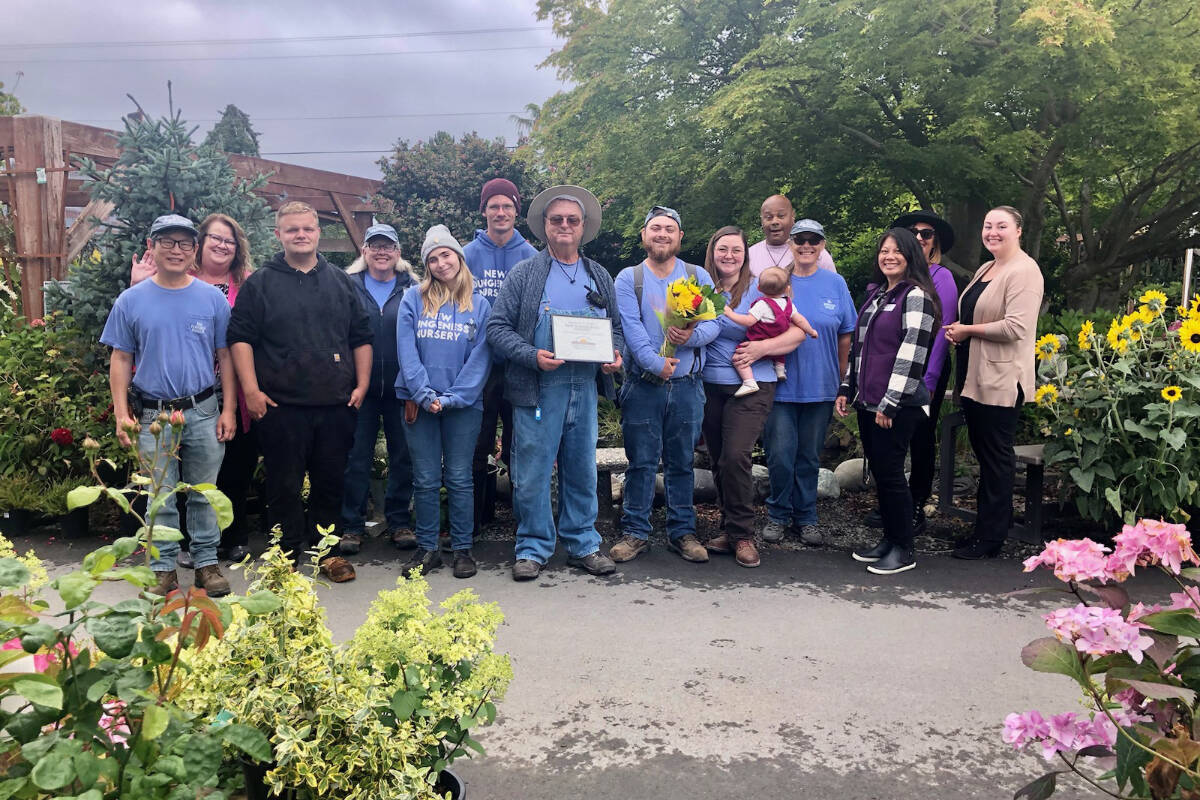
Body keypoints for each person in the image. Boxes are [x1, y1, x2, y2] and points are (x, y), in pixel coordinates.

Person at [227, 201, 372, 583]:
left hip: (336, 404)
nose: (301, 235)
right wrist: (251, 390)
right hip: (281, 406)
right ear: (279, 234)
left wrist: (362, 384)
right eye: (292, 229)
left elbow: (361, 336)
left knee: (330, 482)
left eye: (308, 228)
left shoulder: (340, 282)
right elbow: (240, 339)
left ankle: (329, 553)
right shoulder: (260, 284)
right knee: (283, 485)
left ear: (318, 232)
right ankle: (286, 556)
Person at [486, 185, 624, 581]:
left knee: (581, 470)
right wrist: (532, 356)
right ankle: (532, 548)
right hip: (538, 389)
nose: (565, 225)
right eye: (557, 219)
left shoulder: (598, 275)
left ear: (583, 226)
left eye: (572, 220)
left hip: (585, 388)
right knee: (531, 472)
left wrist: (615, 356)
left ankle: (583, 544)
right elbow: (496, 328)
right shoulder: (525, 273)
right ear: (545, 226)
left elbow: (615, 330)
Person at [101, 213, 237, 596]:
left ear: (194, 250)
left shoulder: (212, 299)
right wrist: (121, 414)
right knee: (159, 495)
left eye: (184, 243)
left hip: (203, 410)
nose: (176, 250)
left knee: (204, 493)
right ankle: (162, 568)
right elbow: (120, 358)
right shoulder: (131, 301)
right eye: (167, 242)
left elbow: (226, 356)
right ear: (152, 247)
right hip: (153, 416)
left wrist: (229, 409)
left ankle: (206, 564)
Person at [130, 212, 258, 566]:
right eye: (215, 238)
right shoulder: (171, 280)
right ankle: (182, 547)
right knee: (179, 477)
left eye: (229, 240)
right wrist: (135, 282)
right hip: (179, 394)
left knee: (231, 468)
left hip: (229, 391)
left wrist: (239, 399)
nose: (222, 245)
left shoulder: (246, 284)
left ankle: (230, 539)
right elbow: (138, 328)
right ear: (200, 244)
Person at [609, 205, 721, 565]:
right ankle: (635, 532)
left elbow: (713, 324)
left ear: (680, 237)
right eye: (655, 228)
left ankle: (682, 532)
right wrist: (657, 364)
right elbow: (631, 329)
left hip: (688, 385)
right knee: (640, 462)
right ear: (644, 234)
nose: (662, 234)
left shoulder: (697, 275)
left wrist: (689, 338)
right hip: (643, 385)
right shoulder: (629, 279)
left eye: (669, 229)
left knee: (681, 462)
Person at [735, 219, 857, 545]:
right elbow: (751, 324)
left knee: (809, 457)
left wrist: (843, 381)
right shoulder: (773, 281)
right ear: (790, 244)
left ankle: (806, 517)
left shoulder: (835, 283)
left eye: (813, 240)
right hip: (779, 385)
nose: (806, 246)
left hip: (821, 385)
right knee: (780, 455)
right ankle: (777, 513)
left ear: (822, 245)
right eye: (800, 240)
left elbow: (846, 335)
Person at [836, 228, 939, 575]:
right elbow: (860, 350)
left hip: (897, 405)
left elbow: (912, 353)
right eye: (884, 251)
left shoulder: (916, 296)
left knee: (892, 474)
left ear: (911, 256)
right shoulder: (878, 295)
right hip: (870, 402)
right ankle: (890, 539)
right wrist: (846, 388)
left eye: (897, 251)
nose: (889, 256)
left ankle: (904, 548)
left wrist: (891, 401)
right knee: (881, 472)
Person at [944, 206, 1044, 559]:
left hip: (1001, 379)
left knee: (997, 459)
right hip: (975, 376)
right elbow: (974, 312)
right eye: (988, 226)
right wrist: (961, 332)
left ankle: (991, 538)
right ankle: (983, 529)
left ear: (1018, 230)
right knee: (985, 456)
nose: (993, 232)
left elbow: (1017, 327)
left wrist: (967, 330)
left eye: (1002, 226)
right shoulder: (987, 268)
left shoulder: (1024, 271)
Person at [699, 227, 801, 568]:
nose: (729, 255)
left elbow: (798, 331)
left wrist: (762, 348)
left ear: (745, 255)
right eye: (722, 249)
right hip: (709, 384)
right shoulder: (701, 287)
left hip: (754, 383)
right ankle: (729, 529)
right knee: (718, 459)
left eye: (736, 250)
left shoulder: (762, 286)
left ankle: (743, 535)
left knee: (735, 456)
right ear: (712, 252)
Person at [395, 225, 492, 579]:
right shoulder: (413, 299)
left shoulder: (480, 305)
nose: (440, 263)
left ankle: (462, 549)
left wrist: (452, 399)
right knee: (425, 478)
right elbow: (406, 351)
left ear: (459, 257)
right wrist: (424, 395)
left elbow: (481, 359)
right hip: (418, 403)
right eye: (432, 259)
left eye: (446, 255)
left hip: (463, 406)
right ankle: (427, 549)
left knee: (460, 477)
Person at [874, 209, 960, 534]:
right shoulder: (893, 276)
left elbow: (942, 330)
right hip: (892, 366)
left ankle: (916, 504)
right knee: (890, 437)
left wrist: (931, 378)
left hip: (926, 368)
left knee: (920, 437)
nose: (920, 238)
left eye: (926, 233)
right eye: (913, 232)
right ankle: (891, 504)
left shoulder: (941, 277)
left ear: (935, 241)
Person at [462, 178, 538, 536]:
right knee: (476, 444)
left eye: (507, 206)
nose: (501, 212)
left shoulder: (532, 257)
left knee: (519, 447)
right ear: (484, 211)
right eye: (494, 206)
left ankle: (524, 525)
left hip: (519, 366)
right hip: (479, 366)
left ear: (516, 212)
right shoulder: (466, 256)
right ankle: (473, 523)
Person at [340, 224, 417, 554]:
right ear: (365, 251)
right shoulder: (348, 285)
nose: (382, 252)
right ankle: (352, 526)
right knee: (356, 457)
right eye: (375, 246)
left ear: (398, 252)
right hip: (360, 388)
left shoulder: (413, 288)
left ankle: (399, 522)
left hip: (402, 387)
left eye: (388, 246)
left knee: (403, 456)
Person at [720, 265, 817, 396]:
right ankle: (780, 369)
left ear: (759, 288)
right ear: (787, 289)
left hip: (758, 340)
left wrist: (730, 314)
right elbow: (800, 320)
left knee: (738, 358)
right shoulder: (788, 304)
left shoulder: (762, 304)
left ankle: (749, 382)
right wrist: (811, 331)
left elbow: (749, 321)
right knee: (781, 344)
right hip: (778, 345)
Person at [748, 195, 837, 276]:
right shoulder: (749, 256)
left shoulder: (814, 252)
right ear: (761, 220)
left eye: (781, 216)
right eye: (768, 217)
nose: (774, 222)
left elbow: (833, 284)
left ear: (792, 216)